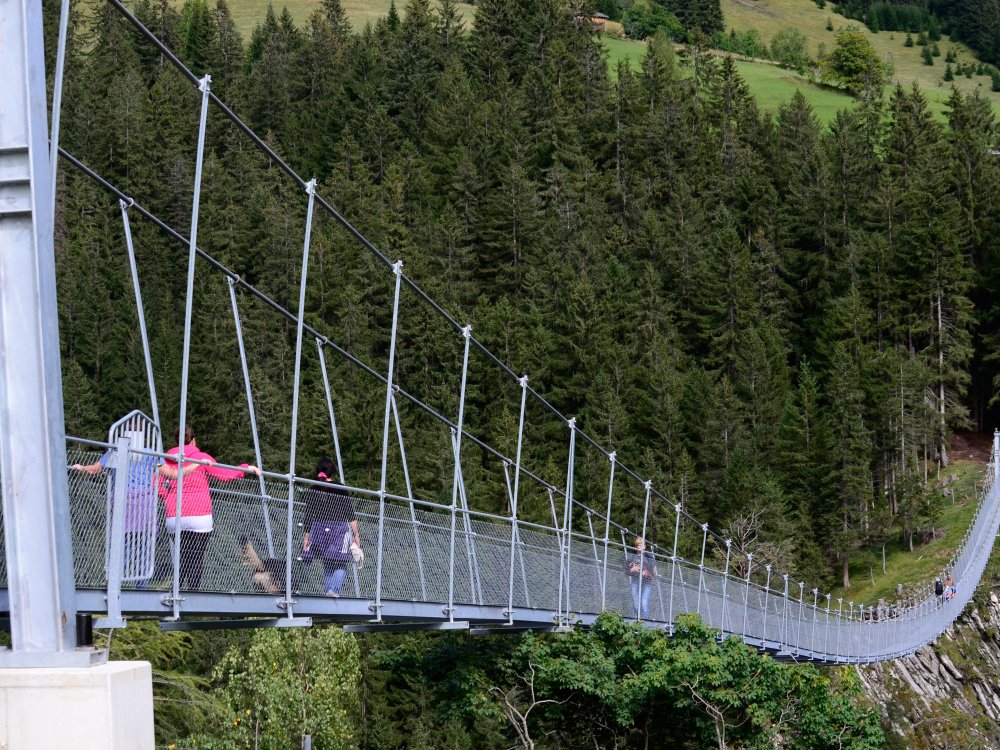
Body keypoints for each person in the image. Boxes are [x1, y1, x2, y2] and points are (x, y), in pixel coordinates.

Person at [158, 426, 260, 590]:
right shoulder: (200, 458)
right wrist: (245, 468)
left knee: (182, 556)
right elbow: (224, 474)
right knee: (196, 557)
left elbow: (159, 485)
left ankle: (176, 592)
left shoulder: (164, 459)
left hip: (174, 515)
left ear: (176, 441)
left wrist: (167, 497)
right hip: (199, 515)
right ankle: (193, 594)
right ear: (193, 440)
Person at [302, 457, 361, 597]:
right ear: (332, 472)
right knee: (341, 563)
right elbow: (350, 514)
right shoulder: (340, 488)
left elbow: (308, 515)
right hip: (338, 529)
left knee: (327, 563)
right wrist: (356, 535)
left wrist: (306, 538)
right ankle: (333, 591)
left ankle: (327, 593)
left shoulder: (313, 489)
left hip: (319, 529)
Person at [625, 536, 657, 620]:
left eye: (641, 544)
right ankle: (639, 619)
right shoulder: (631, 557)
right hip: (635, 581)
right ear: (635, 546)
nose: (639, 546)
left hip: (647, 582)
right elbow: (626, 571)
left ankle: (644, 622)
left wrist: (648, 574)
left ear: (645, 546)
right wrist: (633, 569)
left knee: (644, 603)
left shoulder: (650, 557)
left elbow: (654, 572)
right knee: (636, 604)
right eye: (638, 545)